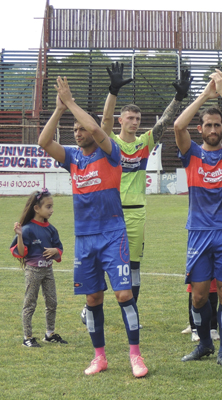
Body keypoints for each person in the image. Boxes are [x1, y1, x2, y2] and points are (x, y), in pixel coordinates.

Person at [37, 76, 148, 377]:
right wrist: (60, 110)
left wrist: (72, 103)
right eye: (74, 130)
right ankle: (99, 357)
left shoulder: (109, 152)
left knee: (124, 296)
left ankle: (135, 355)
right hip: (85, 239)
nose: (78, 132)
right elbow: (44, 142)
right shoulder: (72, 158)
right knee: (93, 299)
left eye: (81, 127)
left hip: (113, 235)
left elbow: (100, 127)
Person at [174, 69, 222, 369]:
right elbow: (178, 124)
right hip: (198, 231)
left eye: (218, 124)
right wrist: (206, 94)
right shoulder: (191, 154)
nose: (213, 128)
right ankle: (205, 343)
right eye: (208, 124)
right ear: (201, 128)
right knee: (199, 296)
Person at [98, 62, 191, 307]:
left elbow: (165, 123)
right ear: (121, 120)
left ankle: (132, 311)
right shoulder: (111, 144)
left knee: (134, 265)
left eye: (138, 118)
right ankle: (91, 305)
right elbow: (104, 121)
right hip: (111, 213)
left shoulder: (144, 143)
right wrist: (113, 92)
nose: (135, 121)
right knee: (102, 262)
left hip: (136, 213)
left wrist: (178, 97)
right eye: (130, 117)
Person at [11, 189, 67, 348]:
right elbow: (21, 253)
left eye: (52, 206)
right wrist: (20, 235)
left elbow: (59, 248)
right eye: (48, 207)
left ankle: (49, 334)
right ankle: (27, 337)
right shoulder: (27, 229)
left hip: (48, 271)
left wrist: (56, 251)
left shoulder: (51, 229)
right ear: (36, 208)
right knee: (30, 303)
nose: (52, 210)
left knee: (52, 302)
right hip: (33, 272)